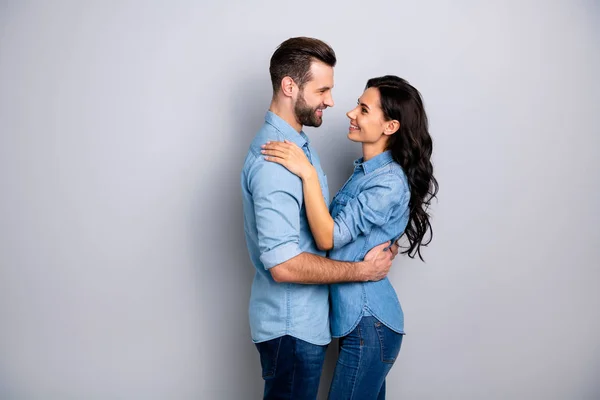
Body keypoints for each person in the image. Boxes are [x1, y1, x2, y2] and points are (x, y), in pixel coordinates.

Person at [241, 38, 400, 400]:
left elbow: (326, 227)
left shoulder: (296, 147)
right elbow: (283, 265)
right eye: (323, 89)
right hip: (290, 327)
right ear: (289, 86)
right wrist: (363, 270)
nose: (331, 100)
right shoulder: (275, 161)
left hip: (305, 326)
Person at [261, 75, 439, 399]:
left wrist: (307, 172)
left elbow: (329, 237)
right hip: (358, 324)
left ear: (390, 127)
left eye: (364, 109)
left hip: (369, 325)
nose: (351, 113)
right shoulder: (366, 173)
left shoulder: (388, 182)